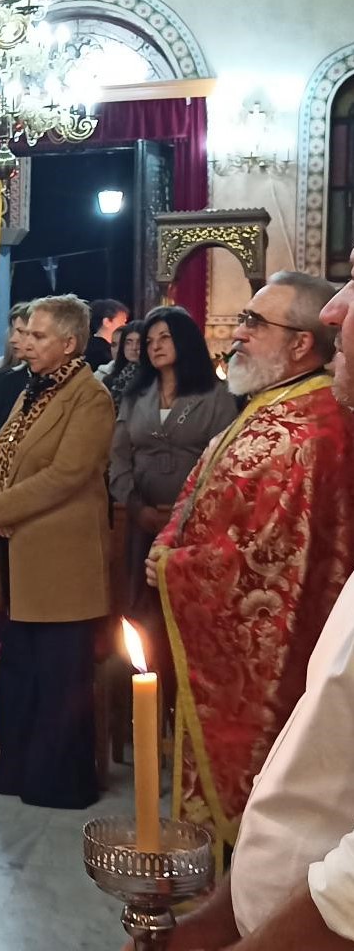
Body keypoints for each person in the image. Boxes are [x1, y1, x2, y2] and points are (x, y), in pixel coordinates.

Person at [142, 268, 354, 951]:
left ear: (299, 344)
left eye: (254, 322)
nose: (237, 333)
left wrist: (177, 566)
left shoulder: (312, 426)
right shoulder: (276, 406)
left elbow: (277, 557)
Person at [0, 294, 114, 809]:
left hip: (62, 561)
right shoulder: (34, 388)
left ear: (69, 343)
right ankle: (17, 769)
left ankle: (57, 781)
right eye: (25, 333)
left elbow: (68, 474)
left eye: (37, 336)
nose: (24, 343)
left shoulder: (89, 397)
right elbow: (0, 450)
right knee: (23, 671)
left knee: (59, 677)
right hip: (21, 554)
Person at [108, 306, 236, 682]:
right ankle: (146, 686)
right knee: (141, 606)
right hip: (141, 517)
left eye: (165, 337)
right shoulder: (137, 395)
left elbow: (224, 458)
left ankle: (186, 688)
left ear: (185, 341)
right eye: (150, 340)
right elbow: (118, 455)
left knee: (187, 608)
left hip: (195, 521)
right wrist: (134, 505)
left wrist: (186, 511)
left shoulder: (215, 395)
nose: (155, 346)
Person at [0, 303, 32, 461]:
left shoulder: (69, 387)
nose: (12, 339)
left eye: (21, 332)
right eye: (13, 331)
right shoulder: (5, 379)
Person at [97, 320, 144, 410]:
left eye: (139, 342)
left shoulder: (153, 379)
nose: (134, 347)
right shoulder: (109, 380)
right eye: (128, 342)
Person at [86, 298, 129, 370]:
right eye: (123, 321)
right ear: (107, 322)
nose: (125, 326)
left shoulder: (86, 345)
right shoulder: (102, 353)